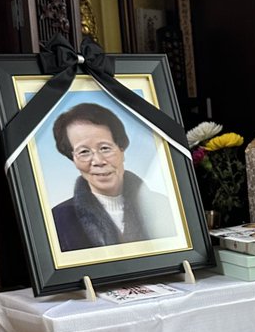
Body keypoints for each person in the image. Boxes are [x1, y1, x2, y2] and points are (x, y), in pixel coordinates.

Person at [50, 102, 174, 251]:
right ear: (73, 159)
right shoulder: (58, 219)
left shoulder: (164, 206)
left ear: (121, 149)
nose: (98, 161)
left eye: (105, 148)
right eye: (83, 152)